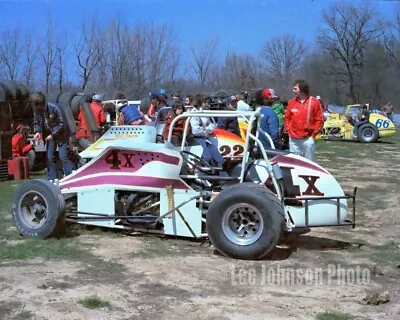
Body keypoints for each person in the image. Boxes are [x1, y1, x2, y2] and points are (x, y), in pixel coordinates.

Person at [31, 92, 74, 180]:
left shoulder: (55, 108)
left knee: (63, 156)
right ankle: (52, 178)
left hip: (62, 134)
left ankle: (70, 176)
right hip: (49, 135)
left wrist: (53, 135)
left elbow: (63, 123)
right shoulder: (37, 111)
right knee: (49, 157)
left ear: (41, 104)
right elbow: (37, 122)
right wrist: (37, 131)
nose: (36, 109)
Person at [284, 80, 324, 162]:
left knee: (309, 163)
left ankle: (309, 174)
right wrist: (289, 131)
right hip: (294, 139)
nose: (293, 91)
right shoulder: (291, 103)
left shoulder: (314, 102)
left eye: (295, 89)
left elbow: (319, 119)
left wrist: (313, 135)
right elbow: (287, 118)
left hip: (308, 139)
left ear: (302, 89)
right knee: (295, 162)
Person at [190, 94, 224, 168]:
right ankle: (200, 172)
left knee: (219, 158)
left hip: (206, 138)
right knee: (206, 157)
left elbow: (212, 126)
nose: (207, 104)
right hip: (196, 139)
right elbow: (195, 130)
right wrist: (205, 130)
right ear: (200, 102)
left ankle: (219, 171)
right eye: (205, 102)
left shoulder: (205, 112)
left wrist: (205, 129)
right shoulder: (194, 112)